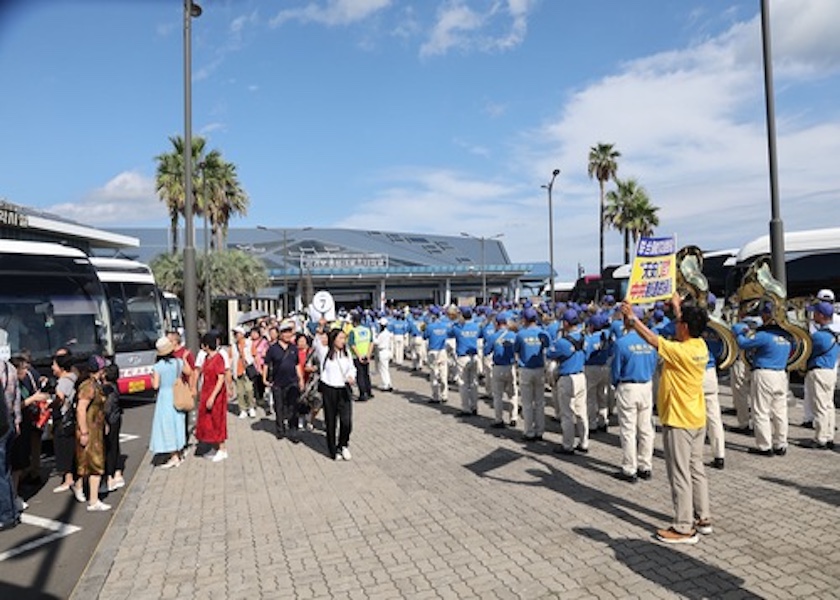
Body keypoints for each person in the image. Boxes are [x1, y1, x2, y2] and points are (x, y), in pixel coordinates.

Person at [621, 294, 712, 545]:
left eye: (679, 322)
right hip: (696, 417)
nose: (676, 324)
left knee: (679, 474)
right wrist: (678, 307)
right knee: (696, 469)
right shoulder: (700, 346)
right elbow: (683, 327)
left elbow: (652, 339)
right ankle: (703, 517)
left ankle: (683, 527)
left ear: (685, 327)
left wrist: (633, 319)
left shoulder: (679, 351)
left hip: (679, 419)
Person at [733, 303, 791, 456]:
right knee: (780, 411)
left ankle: (764, 446)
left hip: (764, 373)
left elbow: (743, 343)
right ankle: (781, 444)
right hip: (781, 374)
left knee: (761, 411)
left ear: (767, 315)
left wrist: (738, 332)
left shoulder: (764, 335)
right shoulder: (786, 336)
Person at [610, 306, 657, 483]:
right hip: (646, 385)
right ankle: (645, 465)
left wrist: (616, 384)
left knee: (628, 430)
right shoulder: (651, 340)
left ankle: (630, 469)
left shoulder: (621, 343)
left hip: (628, 387)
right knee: (646, 429)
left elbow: (616, 370)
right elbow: (654, 364)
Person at [548, 309, 589, 455]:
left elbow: (550, 353)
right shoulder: (584, 338)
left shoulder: (562, 342)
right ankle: (584, 442)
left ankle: (567, 444)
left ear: (565, 323)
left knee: (567, 413)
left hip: (567, 377)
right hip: (581, 376)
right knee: (581, 412)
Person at [149, 336, 192, 468]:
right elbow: (189, 371)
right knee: (178, 424)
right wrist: (184, 359)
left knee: (167, 425)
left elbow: (156, 385)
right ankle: (179, 452)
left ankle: (174, 457)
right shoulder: (178, 362)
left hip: (165, 397)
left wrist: (151, 378)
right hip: (177, 394)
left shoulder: (158, 366)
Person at [73, 357, 110, 511]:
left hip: (96, 427)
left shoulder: (95, 384)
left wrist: (104, 423)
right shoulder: (88, 386)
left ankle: (79, 487)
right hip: (90, 429)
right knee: (95, 462)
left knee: (86, 461)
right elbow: (81, 409)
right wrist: (84, 432)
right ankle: (93, 501)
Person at [805, 301, 839, 449]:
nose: (813, 315)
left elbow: (806, 351)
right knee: (828, 405)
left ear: (821, 315)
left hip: (819, 371)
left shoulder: (819, 336)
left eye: (815, 313)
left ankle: (820, 439)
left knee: (819, 406)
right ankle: (829, 435)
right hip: (830, 371)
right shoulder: (834, 334)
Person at [319, 328, 357, 460]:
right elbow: (317, 342)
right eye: (340, 338)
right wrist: (321, 332)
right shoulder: (325, 352)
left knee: (346, 421)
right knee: (331, 421)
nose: (343, 341)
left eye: (344, 338)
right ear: (333, 339)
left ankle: (343, 444)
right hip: (329, 389)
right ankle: (332, 449)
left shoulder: (347, 353)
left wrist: (351, 376)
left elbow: (352, 368)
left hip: (344, 389)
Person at [264, 320, 305, 441]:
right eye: (285, 332)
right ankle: (280, 430)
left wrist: (301, 379)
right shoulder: (273, 349)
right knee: (279, 407)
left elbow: (297, 364)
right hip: (277, 382)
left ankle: (293, 431)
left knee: (293, 407)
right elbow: (266, 364)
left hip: (292, 382)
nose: (287, 335)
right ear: (280, 333)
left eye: (289, 332)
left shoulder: (294, 348)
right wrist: (264, 378)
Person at [514, 307, 551, 442]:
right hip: (539, 368)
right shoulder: (543, 333)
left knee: (527, 403)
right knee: (540, 402)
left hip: (526, 369)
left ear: (524, 319)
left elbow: (516, 350)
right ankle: (540, 431)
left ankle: (529, 431)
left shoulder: (520, 334)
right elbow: (548, 348)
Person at [196, 332, 228, 461]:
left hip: (216, 393)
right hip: (206, 390)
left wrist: (213, 396)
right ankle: (214, 446)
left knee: (217, 420)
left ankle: (222, 448)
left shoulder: (218, 358)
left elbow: (221, 378)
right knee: (208, 420)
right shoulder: (206, 358)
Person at [51, 352, 79, 495]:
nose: (52, 367)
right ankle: (72, 476)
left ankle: (68, 479)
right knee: (71, 447)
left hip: (63, 420)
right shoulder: (74, 377)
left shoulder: (62, 382)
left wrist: (49, 404)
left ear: (61, 368)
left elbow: (59, 399)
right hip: (73, 419)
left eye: (54, 365)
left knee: (63, 449)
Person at [487, 314, 519, 428]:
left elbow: (486, 351)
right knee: (513, 394)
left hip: (498, 366)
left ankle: (499, 419)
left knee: (498, 395)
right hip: (511, 367)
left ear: (497, 324)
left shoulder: (493, 336)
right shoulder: (514, 336)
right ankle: (514, 417)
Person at [0, 356, 21, 530]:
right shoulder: (10, 368)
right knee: (5, 471)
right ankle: (12, 511)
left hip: (1, 425)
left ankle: (6, 515)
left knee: (1, 473)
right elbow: (17, 398)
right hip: (9, 423)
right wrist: (17, 421)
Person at [101, 362, 125, 492]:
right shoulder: (115, 386)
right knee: (114, 446)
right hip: (116, 418)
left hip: (110, 421)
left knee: (109, 448)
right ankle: (117, 472)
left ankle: (110, 476)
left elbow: (107, 408)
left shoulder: (107, 389)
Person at [424, 307, 451, 404]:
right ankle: (444, 395)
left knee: (434, 374)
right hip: (442, 351)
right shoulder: (445, 326)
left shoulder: (430, 326)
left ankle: (436, 396)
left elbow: (425, 336)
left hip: (433, 351)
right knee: (443, 374)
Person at [231, 326, 257, 419]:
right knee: (240, 392)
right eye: (234, 334)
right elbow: (231, 358)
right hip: (237, 370)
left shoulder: (249, 343)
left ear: (242, 334)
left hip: (247, 370)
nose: (235, 335)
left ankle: (251, 407)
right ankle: (242, 409)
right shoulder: (233, 346)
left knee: (249, 390)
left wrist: (248, 361)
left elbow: (254, 355)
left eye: (237, 333)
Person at [348, 312, 374, 401]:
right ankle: (369, 392)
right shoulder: (367, 330)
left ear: (354, 322)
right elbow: (371, 342)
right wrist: (369, 354)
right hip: (366, 354)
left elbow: (352, 345)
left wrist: (358, 356)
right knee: (366, 374)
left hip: (357, 356)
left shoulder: (353, 331)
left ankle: (363, 394)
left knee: (360, 375)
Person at [374, 317, 394, 392]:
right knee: (385, 369)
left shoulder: (382, 334)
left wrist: (373, 336)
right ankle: (388, 383)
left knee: (383, 369)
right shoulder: (387, 332)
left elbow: (377, 342)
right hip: (387, 351)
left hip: (382, 351)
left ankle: (386, 384)